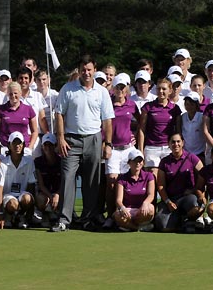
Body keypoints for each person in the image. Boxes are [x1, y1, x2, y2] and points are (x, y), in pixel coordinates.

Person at [51, 54, 114, 232]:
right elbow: (59, 114)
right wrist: (60, 138)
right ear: (79, 71)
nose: (86, 73)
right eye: (83, 70)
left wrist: (108, 144)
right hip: (70, 140)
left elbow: (108, 120)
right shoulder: (68, 88)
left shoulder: (101, 92)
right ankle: (64, 220)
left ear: (94, 70)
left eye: (89, 69)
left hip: (94, 139)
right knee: (67, 178)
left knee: (92, 181)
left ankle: (87, 218)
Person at [103, 75, 139, 229]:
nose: (120, 90)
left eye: (123, 87)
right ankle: (111, 216)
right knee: (111, 183)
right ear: (114, 88)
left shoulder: (132, 105)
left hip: (128, 149)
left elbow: (140, 121)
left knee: (127, 183)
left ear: (127, 89)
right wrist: (105, 144)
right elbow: (102, 125)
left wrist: (135, 135)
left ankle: (126, 215)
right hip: (113, 149)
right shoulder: (107, 105)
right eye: (118, 86)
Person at [155, 133, 204, 232]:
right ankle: (179, 220)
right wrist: (168, 201)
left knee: (197, 207)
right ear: (169, 144)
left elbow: (204, 175)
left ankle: (186, 218)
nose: (176, 144)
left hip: (187, 197)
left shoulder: (192, 158)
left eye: (178, 141)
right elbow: (160, 186)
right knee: (164, 226)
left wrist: (196, 191)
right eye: (173, 142)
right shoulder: (164, 162)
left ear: (183, 143)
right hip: (171, 199)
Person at [137, 77, 181, 176]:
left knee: (169, 176)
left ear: (170, 91)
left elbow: (178, 131)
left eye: (164, 89)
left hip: (169, 148)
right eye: (158, 89)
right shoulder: (148, 107)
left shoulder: (175, 109)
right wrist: (140, 151)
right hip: (151, 148)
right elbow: (141, 129)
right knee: (153, 175)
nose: (161, 91)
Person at [0, 132, 37, 229]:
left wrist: (30, 211)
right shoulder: (3, 163)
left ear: (23, 145)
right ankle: (9, 216)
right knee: (13, 204)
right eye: (14, 143)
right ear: (9, 145)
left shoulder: (29, 161)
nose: (17, 146)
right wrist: (0, 212)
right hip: (8, 196)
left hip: (22, 195)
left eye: (20, 143)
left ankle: (22, 216)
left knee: (27, 198)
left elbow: (31, 186)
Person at [113, 149, 155, 232]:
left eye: (140, 161)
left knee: (151, 209)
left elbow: (151, 195)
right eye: (135, 161)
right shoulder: (122, 178)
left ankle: (128, 226)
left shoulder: (149, 176)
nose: (138, 163)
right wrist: (122, 208)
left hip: (141, 209)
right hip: (128, 210)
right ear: (129, 163)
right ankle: (138, 227)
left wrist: (145, 203)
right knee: (117, 215)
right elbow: (118, 200)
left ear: (143, 162)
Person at [0, 81, 38, 154]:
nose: (13, 95)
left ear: (20, 93)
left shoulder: (28, 109)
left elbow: (35, 131)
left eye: (15, 93)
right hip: (6, 148)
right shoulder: (0, 109)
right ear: (7, 94)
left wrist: (30, 147)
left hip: (24, 148)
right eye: (10, 93)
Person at [34, 133, 62, 227]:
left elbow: (64, 183)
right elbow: (41, 185)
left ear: (55, 146)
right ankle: (46, 214)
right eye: (46, 145)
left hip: (58, 192)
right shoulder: (38, 162)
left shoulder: (61, 161)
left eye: (50, 145)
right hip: (45, 193)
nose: (48, 147)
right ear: (42, 146)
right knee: (41, 199)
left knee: (66, 197)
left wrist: (57, 195)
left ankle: (60, 215)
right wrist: (51, 197)